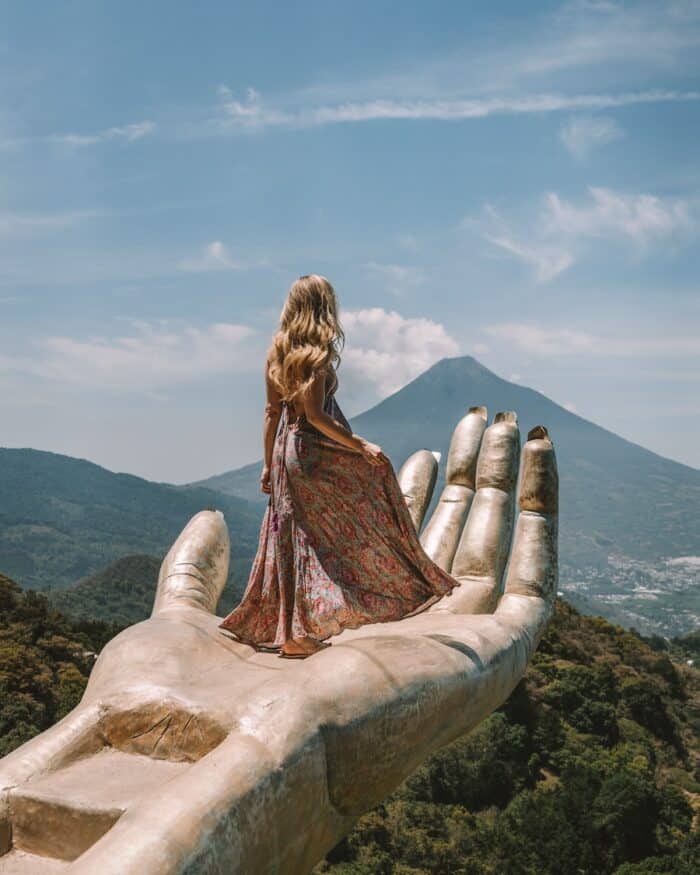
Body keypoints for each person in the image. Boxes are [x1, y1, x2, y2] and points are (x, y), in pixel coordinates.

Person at [218, 274, 458, 658]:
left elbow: (271, 411)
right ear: (323, 307)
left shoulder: (277, 350)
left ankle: (290, 631)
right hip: (313, 451)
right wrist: (360, 445)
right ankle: (316, 624)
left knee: (292, 537)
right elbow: (314, 415)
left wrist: (268, 464)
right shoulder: (316, 354)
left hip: (284, 452)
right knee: (349, 521)